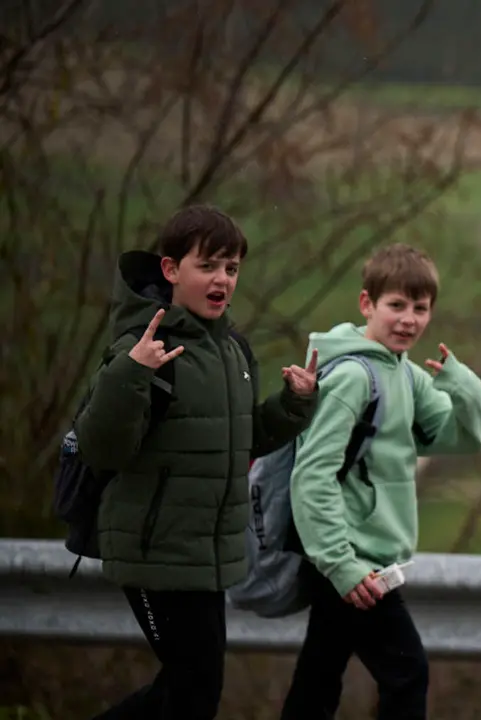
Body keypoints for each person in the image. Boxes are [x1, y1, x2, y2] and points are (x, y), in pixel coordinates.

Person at [77, 205, 319, 720]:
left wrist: (293, 405)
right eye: (208, 265)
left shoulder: (232, 350)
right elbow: (102, 447)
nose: (222, 279)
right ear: (171, 270)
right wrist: (128, 375)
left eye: (231, 268)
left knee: (189, 691)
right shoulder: (141, 346)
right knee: (194, 690)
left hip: (208, 557)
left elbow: (241, 440)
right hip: (154, 551)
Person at [280, 243, 481, 720]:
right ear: (366, 305)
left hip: (358, 557)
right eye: (396, 305)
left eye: (420, 308)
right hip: (352, 557)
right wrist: (342, 565)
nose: (409, 320)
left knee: (318, 679)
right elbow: (312, 473)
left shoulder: (405, 374)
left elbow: (466, 438)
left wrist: (463, 385)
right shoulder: (356, 376)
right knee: (406, 673)